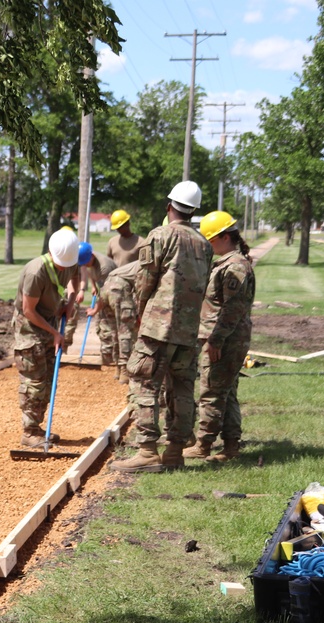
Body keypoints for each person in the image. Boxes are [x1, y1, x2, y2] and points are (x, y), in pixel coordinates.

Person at [110, 180, 213, 473]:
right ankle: (175, 452)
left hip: (158, 327)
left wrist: (142, 311)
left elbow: (145, 280)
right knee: (182, 388)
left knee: (143, 382)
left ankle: (146, 451)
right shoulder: (204, 244)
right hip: (188, 329)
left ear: (169, 206)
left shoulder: (160, 235)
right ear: (193, 211)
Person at [183, 211, 256, 463]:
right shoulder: (231, 263)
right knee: (227, 392)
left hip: (224, 340)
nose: (208, 246)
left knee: (211, 392)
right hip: (227, 338)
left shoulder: (234, 267)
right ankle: (231, 446)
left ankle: (203, 444)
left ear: (225, 237)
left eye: (211, 240)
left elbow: (232, 309)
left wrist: (216, 340)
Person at [12, 228, 81, 449]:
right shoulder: (36, 272)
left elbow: (76, 278)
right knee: (34, 381)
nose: (65, 268)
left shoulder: (70, 260)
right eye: (62, 264)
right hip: (29, 327)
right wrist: (56, 334)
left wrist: (70, 303)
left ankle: (38, 428)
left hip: (50, 320)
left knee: (48, 379)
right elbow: (28, 310)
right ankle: (29, 432)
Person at [86, 259, 139, 383]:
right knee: (125, 331)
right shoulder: (147, 266)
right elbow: (142, 290)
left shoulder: (130, 266)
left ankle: (118, 368)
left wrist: (95, 310)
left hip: (107, 287)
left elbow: (104, 292)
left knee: (115, 332)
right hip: (120, 289)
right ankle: (125, 370)